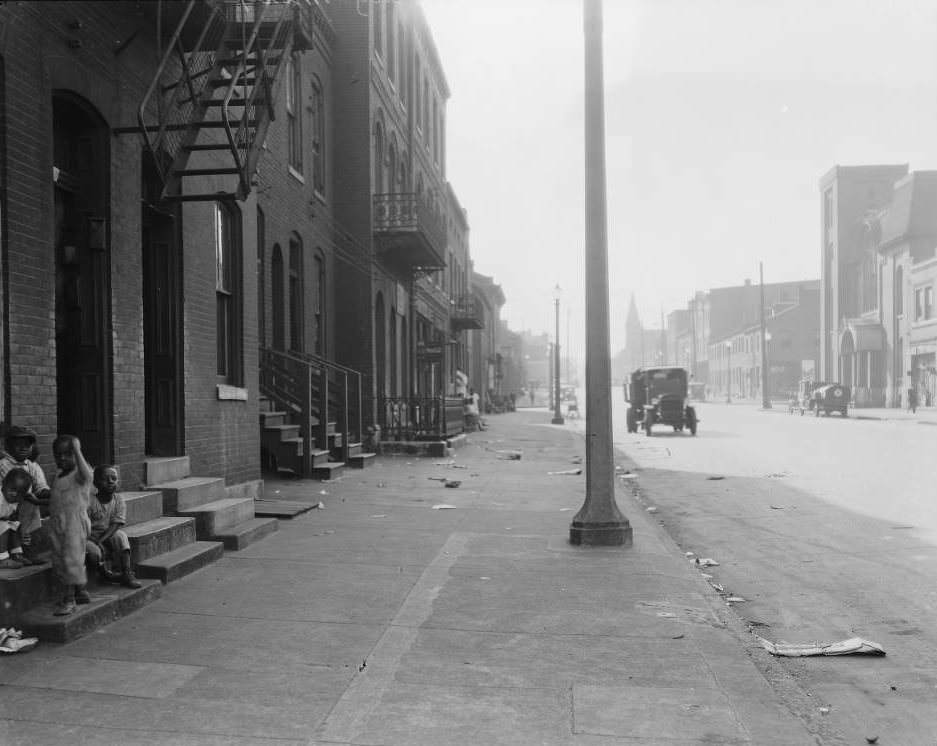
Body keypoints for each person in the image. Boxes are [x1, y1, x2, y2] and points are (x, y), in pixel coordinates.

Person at [48, 435, 93, 615]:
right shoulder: (58, 476)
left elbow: (88, 475)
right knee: (60, 560)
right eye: (58, 455)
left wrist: (77, 450)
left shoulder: (79, 476)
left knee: (71, 560)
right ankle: (80, 591)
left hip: (75, 524)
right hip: (58, 523)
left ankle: (69, 599)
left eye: (68, 454)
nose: (63, 458)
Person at [86, 464, 142, 589]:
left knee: (121, 536)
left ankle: (126, 573)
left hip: (107, 534)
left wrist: (101, 540)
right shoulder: (89, 501)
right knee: (92, 552)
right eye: (105, 479)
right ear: (96, 483)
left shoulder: (118, 500)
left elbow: (116, 524)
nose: (110, 482)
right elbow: (83, 526)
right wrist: (95, 541)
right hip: (89, 536)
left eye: (114, 478)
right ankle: (103, 573)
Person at [0, 425, 51, 559]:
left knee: (31, 505)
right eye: (18, 444)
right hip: (4, 505)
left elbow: (40, 487)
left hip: (22, 505)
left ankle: (26, 549)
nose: (23, 448)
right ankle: (20, 549)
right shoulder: (3, 464)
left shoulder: (32, 466)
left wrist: (51, 493)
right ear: (8, 446)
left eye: (28, 445)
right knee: (28, 504)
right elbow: (11, 492)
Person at [0, 468, 37, 568]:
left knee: (14, 525)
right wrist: (5, 521)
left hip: (3, 521)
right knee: (4, 526)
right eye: (12, 489)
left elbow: (13, 515)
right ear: (4, 484)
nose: (14, 494)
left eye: (19, 492)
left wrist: (13, 521)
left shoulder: (15, 500)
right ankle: (2, 559)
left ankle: (17, 554)